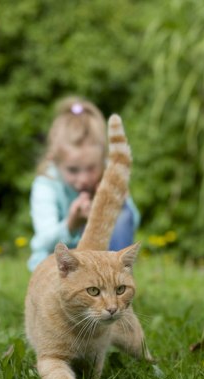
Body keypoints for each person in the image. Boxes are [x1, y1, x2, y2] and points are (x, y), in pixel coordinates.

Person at [27, 97, 140, 271]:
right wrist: (71, 224)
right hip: (56, 266)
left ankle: (116, 281)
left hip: (99, 263)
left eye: (90, 168)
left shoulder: (106, 176)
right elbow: (42, 241)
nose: (84, 179)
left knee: (121, 214)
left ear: (102, 161)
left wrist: (115, 203)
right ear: (54, 161)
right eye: (73, 170)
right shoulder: (47, 183)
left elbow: (132, 221)